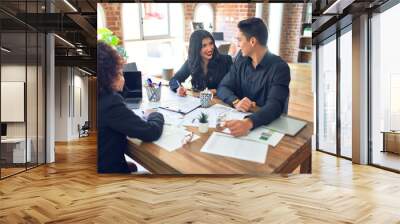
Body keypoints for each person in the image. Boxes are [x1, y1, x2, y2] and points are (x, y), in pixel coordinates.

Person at [97, 41, 164, 173]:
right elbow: (151, 132)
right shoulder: (110, 103)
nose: (122, 76)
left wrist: (115, 87)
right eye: (119, 72)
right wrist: (154, 114)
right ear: (109, 74)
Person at [217, 17, 290, 137]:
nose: (238, 44)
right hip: (239, 121)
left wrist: (248, 123)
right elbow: (223, 86)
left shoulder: (280, 68)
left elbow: (275, 106)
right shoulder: (241, 58)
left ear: (252, 41)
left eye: (239, 40)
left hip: (267, 127)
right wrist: (236, 102)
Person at [169, 30, 233, 96]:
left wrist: (216, 91)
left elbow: (233, 85)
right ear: (196, 48)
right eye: (204, 46)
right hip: (199, 102)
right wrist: (178, 88)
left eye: (211, 43)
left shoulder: (225, 60)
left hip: (221, 101)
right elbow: (174, 80)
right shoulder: (191, 62)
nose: (210, 49)